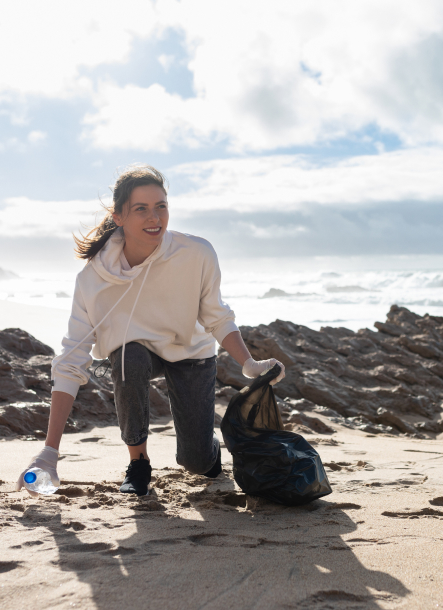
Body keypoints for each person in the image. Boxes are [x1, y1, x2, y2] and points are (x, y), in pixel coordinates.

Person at [17, 165, 285, 497]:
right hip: (136, 353)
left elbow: (217, 317)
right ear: (118, 217)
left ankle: (207, 451)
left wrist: (249, 364)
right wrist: (49, 452)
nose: (154, 217)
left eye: (161, 206)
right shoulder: (93, 279)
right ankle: (139, 462)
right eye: (141, 209)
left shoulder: (196, 253)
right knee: (127, 355)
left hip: (191, 351)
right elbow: (71, 360)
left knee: (197, 462)